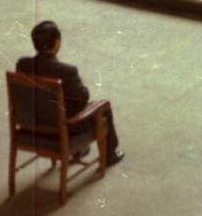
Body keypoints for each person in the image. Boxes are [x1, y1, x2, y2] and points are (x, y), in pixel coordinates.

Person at [16, 20, 124, 165]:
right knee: (103, 108)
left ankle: (79, 150)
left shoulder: (22, 65)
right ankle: (109, 156)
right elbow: (83, 98)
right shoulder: (66, 72)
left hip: (30, 125)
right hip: (60, 130)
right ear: (57, 43)